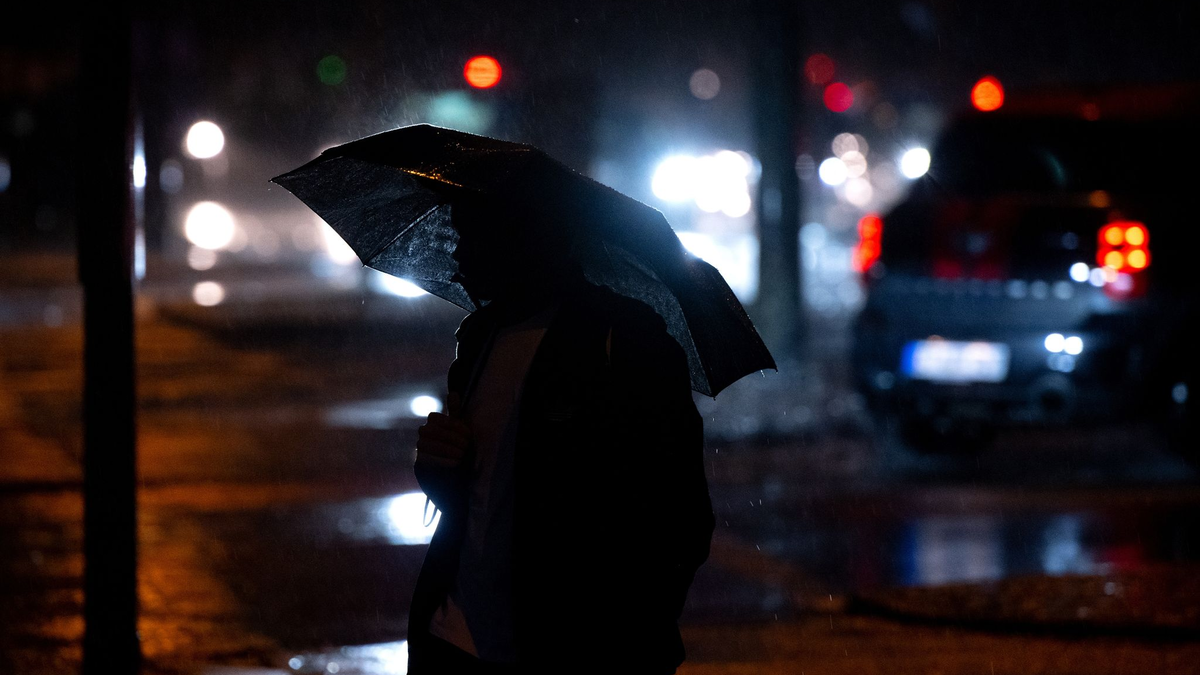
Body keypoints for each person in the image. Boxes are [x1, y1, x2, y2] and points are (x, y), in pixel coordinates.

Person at [406, 196, 715, 674]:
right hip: (458, 640)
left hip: (574, 649)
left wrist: (629, 632)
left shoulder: (624, 337)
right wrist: (439, 469)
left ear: (522, 238)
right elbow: (481, 496)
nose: (458, 255)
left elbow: (680, 514)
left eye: (473, 236)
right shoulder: (478, 338)